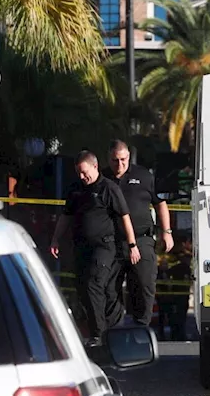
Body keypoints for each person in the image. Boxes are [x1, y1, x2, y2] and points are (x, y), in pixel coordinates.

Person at [50, 151, 140, 346]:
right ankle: (106, 329)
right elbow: (66, 216)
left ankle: (98, 334)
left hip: (104, 246)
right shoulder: (75, 189)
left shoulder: (108, 188)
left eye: (84, 172)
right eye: (79, 173)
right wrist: (56, 239)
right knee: (82, 288)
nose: (82, 177)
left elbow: (125, 217)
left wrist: (132, 245)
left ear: (95, 167)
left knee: (93, 284)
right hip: (82, 247)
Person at [105, 140, 173, 328]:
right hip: (112, 242)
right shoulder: (102, 178)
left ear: (129, 157)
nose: (120, 165)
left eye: (123, 160)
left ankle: (141, 328)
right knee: (110, 290)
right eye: (115, 160)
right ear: (108, 159)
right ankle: (113, 332)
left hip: (142, 239)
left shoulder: (143, 176)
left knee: (144, 287)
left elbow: (160, 204)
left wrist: (166, 232)